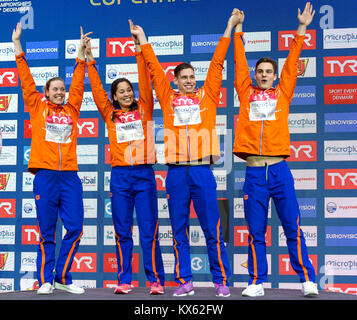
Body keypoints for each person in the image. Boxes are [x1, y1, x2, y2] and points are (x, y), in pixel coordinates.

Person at [130, 11, 241, 298]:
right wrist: (142, 39)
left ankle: (220, 281)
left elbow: (217, 64)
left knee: (213, 230)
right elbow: (154, 69)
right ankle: (185, 281)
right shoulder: (167, 98)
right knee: (178, 229)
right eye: (185, 77)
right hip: (177, 172)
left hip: (202, 170)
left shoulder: (208, 96)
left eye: (193, 77)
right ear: (176, 80)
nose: (190, 81)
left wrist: (229, 26)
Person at [232, 3, 318, 297]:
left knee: (292, 227)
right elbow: (239, 62)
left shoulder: (283, 92)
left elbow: (293, 61)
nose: (265, 75)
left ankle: (307, 279)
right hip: (255, 173)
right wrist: (239, 29)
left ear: (274, 75)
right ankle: (257, 282)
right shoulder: (245, 92)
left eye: (269, 71)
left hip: (280, 171)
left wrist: (302, 28)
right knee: (256, 232)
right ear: (255, 75)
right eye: (261, 72)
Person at [85, 21, 165, 295]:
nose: (128, 93)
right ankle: (124, 280)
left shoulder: (145, 107)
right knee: (122, 231)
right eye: (122, 91)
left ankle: (155, 281)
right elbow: (96, 90)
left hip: (144, 175)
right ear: (114, 97)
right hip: (120, 176)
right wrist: (89, 60)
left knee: (148, 230)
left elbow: (146, 78)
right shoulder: (109, 114)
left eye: (129, 90)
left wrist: (140, 46)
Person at [13, 22, 90, 295]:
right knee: (46, 231)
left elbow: (79, 83)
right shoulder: (37, 106)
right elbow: (25, 79)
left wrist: (81, 55)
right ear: (46, 93)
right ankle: (46, 279)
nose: (59, 91)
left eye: (61, 88)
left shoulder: (72, 108)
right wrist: (17, 45)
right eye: (54, 89)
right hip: (45, 175)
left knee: (76, 227)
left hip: (69, 176)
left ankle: (62, 276)